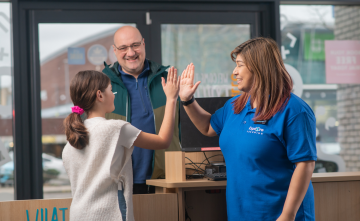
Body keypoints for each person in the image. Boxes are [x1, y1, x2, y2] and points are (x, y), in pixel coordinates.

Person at [179, 37, 317, 221]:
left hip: (280, 215)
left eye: (240, 65)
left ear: (259, 67)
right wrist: (187, 100)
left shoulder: (294, 110)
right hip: (241, 214)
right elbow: (207, 127)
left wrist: (287, 215)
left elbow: (305, 164)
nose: (234, 72)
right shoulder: (235, 106)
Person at [62, 68, 180, 221]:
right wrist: (171, 99)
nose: (113, 95)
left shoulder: (71, 142)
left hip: (78, 215)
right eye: (111, 90)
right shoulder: (116, 128)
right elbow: (163, 141)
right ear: (100, 95)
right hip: (109, 215)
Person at [102, 26, 181, 194]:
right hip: (119, 181)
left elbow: (184, 130)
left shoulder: (168, 81)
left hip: (165, 179)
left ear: (144, 44)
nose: (131, 53)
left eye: (135, 45)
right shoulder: (103, 86)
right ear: (114, 51)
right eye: (123, 48)